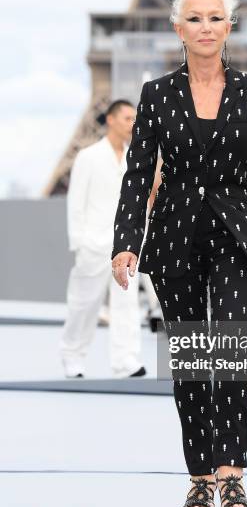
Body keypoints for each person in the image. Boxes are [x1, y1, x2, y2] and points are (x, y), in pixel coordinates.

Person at [111, 0, 247, 507]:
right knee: (191, 361)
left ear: (228, 25)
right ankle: (198, 478)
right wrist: (124, 243)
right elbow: (139, 176)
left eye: (215, 17)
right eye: (195, 17)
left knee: (231, 354)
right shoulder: (155, 94)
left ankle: (232, 474)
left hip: (240, 236)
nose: (205, 26)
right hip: (175, 237)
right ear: (177, 26)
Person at [60, 100, 147, 378]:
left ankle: (126, 361)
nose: (132, 123)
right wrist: (80, 243)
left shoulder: (135, 158)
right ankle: (72, 357)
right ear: (110, 119)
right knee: (83, 305)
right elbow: (76, 202)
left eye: (135, 118)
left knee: (127, 305)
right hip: (93, 244)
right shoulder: (88, 156)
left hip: (125, 246)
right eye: (126, 117)